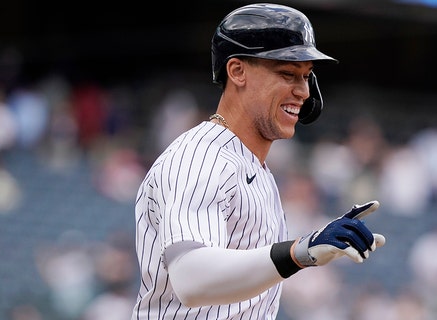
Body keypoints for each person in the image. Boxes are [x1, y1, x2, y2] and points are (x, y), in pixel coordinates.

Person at [131, 3, 386, 319]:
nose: (303, 91)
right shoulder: (201, 158)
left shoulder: (254, 167)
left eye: (306, 76)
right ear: (237, 71)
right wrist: (299, 252)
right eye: (287, 73)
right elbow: (191, 278)